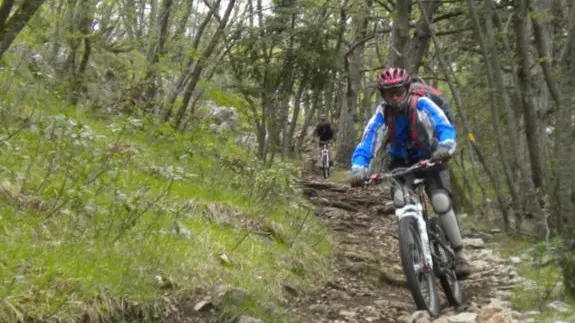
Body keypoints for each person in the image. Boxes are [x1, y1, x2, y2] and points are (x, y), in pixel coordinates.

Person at [349, 67, 471, 279]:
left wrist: (445, 147)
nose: (395, 98)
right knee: (400, 200)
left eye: (399, 92)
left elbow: (444, 126)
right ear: (383, 95)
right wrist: (359, 169)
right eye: (389, 93)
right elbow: (367, 143)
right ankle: (414, 247)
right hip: (401, 162)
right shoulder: (382, 114)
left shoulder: (422, 104)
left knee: (441, 201)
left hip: (432, 156)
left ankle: (459, 254)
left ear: (407, 89)